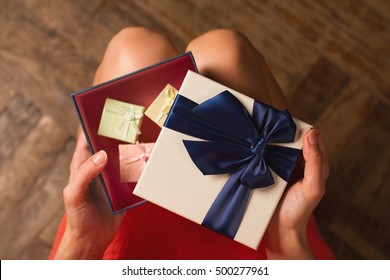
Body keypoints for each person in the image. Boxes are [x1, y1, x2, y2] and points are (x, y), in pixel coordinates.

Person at [50, 28, 333, 260]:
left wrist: (84, 239)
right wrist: (285, 238)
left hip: (122, 216)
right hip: (255, 222)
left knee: (132, 48)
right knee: (225, 53)